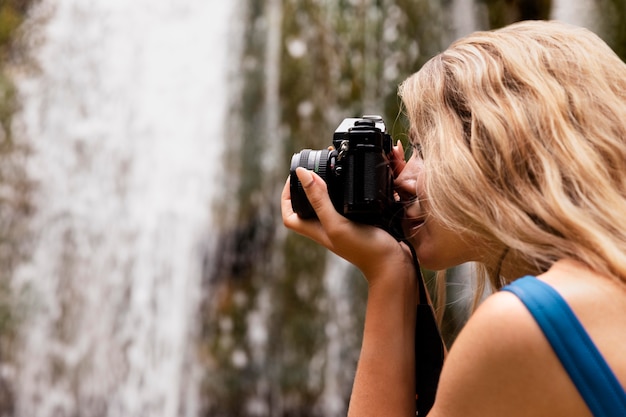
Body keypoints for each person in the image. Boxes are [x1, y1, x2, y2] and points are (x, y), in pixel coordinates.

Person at [281, 20, 626, 416]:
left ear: (500, 151)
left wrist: (387, 277)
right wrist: (397, 265)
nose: (402, 179)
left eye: (424, 149)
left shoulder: (531, 324)